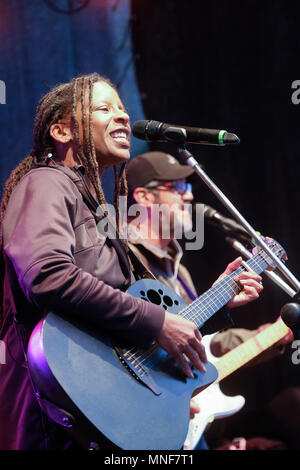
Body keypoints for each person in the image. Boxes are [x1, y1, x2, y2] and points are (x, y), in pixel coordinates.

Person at [0, 74, 262, 450]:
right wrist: (155, 322)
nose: (122, 117)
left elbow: (122, 328)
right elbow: (47, 274)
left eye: (122, 108)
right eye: (104, 108)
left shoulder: (100, 212)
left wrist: (219, 300)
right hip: (53, 421)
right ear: (60, 131)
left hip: (96, 417)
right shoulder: (46, 183)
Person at [125, 151, 292, 450]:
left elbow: (205, 344)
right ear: (144, 197)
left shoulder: (180, 272)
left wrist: (270, 334)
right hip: (140, 416)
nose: (188, 197)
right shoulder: (123, 257)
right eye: (177, 188)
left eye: (188, 188)